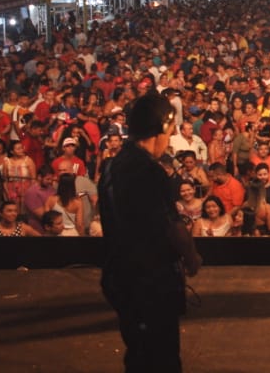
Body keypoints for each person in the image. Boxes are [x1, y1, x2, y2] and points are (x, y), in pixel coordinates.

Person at [99, 90, 202, 373]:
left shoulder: (111, 166)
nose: (168, 140)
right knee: (162, 356)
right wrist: (192, 257)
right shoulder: (149, 171)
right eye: (169, 132)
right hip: (149, 280)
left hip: (119, 274)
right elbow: (171, 225)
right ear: (160, 129)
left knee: (137, 353)